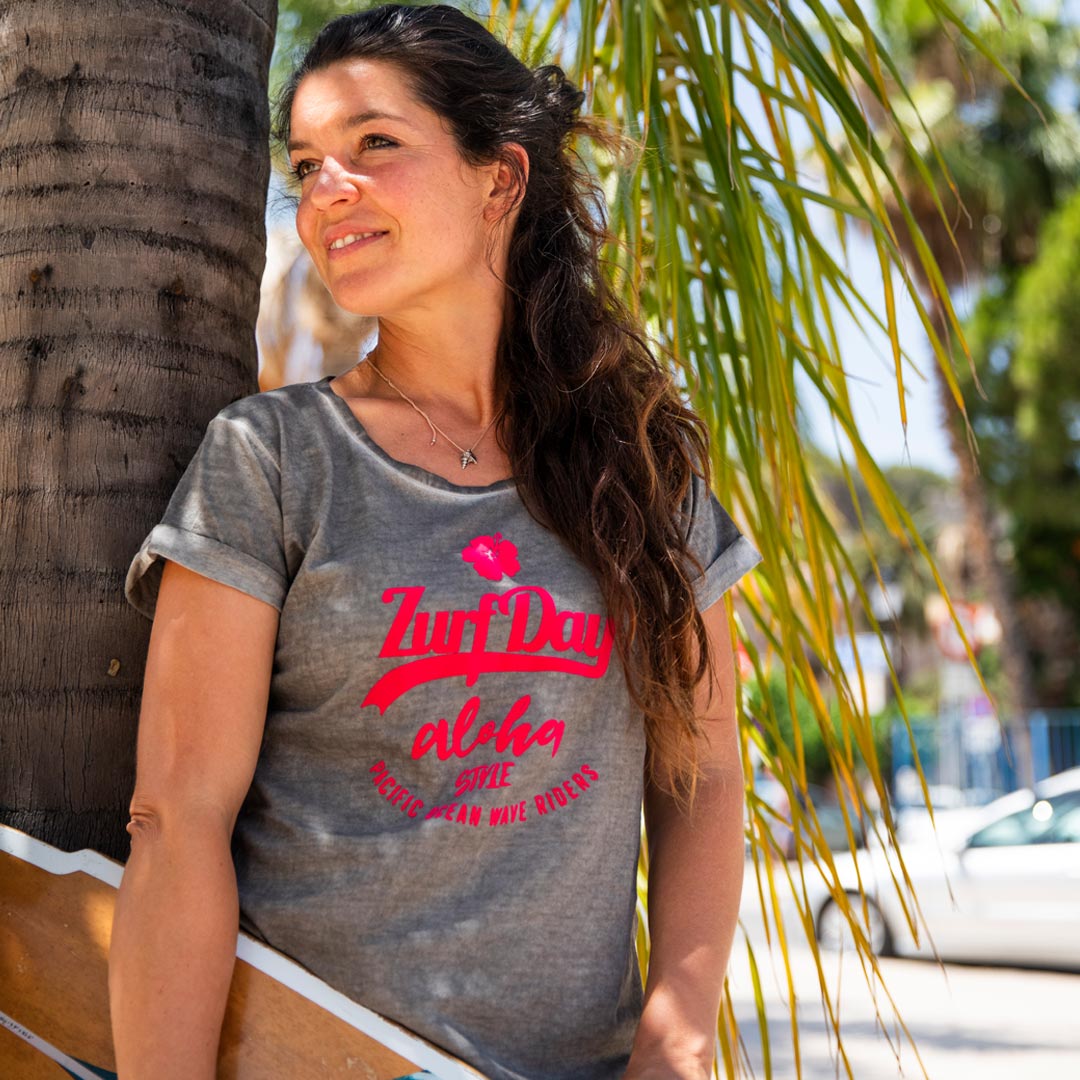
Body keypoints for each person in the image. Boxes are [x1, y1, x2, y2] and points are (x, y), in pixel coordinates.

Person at [107, 5, 764, 1079]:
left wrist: (676, 1042)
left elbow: (703, 778)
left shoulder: (641, 472)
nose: (327, 194)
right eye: (308, 164)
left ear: (498, 179)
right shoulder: (272, 461)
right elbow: (178, 822)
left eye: (374, 146)